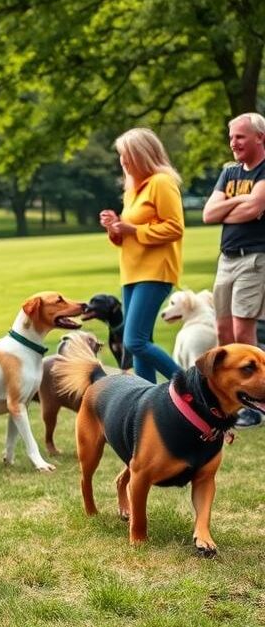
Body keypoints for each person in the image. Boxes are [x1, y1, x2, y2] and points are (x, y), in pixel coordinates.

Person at [99, 127, 183, 385]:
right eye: (121, 155)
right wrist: (114, 227)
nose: (122, 161)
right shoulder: (132, 190)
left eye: (127, 155)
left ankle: (192, 386)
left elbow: (174, 228)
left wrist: (133, 229)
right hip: (132, 273)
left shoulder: (161, 182)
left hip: (155, 272)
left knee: (134, 340)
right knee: (140, 343)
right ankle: (146, 399)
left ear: (142, 155)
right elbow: (127, 236)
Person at [202, 111, 265, 427]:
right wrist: (238, 202)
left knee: (243, 333)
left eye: (240, 136)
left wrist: (232, 205)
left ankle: (255, 404)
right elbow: (208, 214)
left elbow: (255, 207)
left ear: (260, 137)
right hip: (226, 259)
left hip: (254, 259)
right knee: (223, 335)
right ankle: (225, 399)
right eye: (231, 137)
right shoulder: (229, 172)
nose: (233, 143)